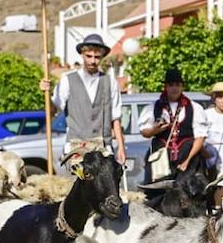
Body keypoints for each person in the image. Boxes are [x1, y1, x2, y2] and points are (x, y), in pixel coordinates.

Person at [39, 33, 126, 164]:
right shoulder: (67, 79)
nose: (93, 61)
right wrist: (45, 92)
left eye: (97, 57)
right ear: (82, 55)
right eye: (89, 56)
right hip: (76, 147)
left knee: (104, 183)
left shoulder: (110, 81)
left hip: (103, 147)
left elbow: (116, 117)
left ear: (102, 57)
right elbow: (53, 109)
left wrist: (121, 147)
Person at [139, 67, 206, 179]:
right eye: (171, 85)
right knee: (155, 192)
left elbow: (200, 137)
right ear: (166, 87)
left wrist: (187, 161)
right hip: (161, 160)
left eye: (177, 85)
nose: (174, 88)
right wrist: (154, 130)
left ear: (182, 87)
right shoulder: (153, 108)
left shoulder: (194, 108)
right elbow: (144, 132)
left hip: (187, 158)